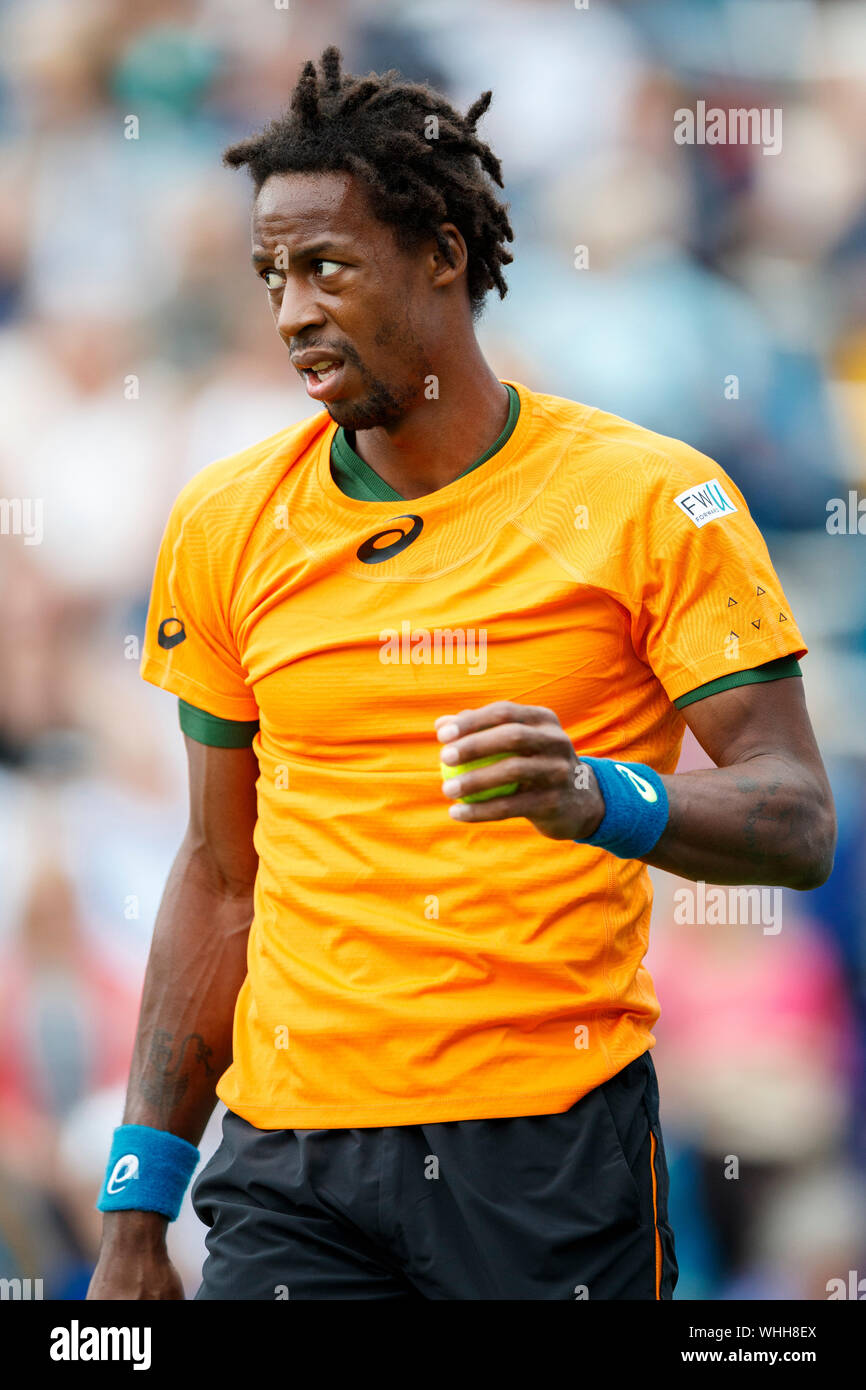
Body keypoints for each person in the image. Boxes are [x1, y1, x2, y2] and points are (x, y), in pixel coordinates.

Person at [87, 47, 835, 1301]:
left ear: (442, 251)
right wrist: (133, 1208)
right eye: (271, 275)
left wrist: (597, 797)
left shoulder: (649, 500)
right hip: (290, 1158)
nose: (289, 312)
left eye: (325, 265)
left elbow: (795, 815)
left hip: (546, 1148)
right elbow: (221, 878)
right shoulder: (224, 523)